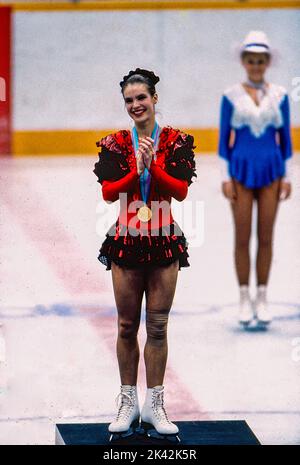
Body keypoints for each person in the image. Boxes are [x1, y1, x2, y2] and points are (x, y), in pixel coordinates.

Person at [93, 68, 196, 441]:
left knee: (157, 325)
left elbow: (181, 191)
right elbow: (109, 192)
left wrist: (154, 166)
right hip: (126, 239)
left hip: (164, 237)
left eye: (141, 97)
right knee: (125, 325)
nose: (136, 105)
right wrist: (136, 169)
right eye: (129, 100)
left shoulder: (175, 140)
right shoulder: (117, 143)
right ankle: (127, 401)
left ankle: (155, 405)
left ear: (154, 98)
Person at [218, 31, 293, 327]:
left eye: (261, 61)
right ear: (244, 62)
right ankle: (243, 297)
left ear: (267, 62)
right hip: (240, 170)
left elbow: (285, 139)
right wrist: (225, 176)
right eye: (251, 60)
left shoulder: (280, 96)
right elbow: (224, 140)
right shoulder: (230, 96)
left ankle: (262, 296)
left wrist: (287, 175)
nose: (256, 65)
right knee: (242, 236)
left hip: (272, 171)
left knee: (265, 236)